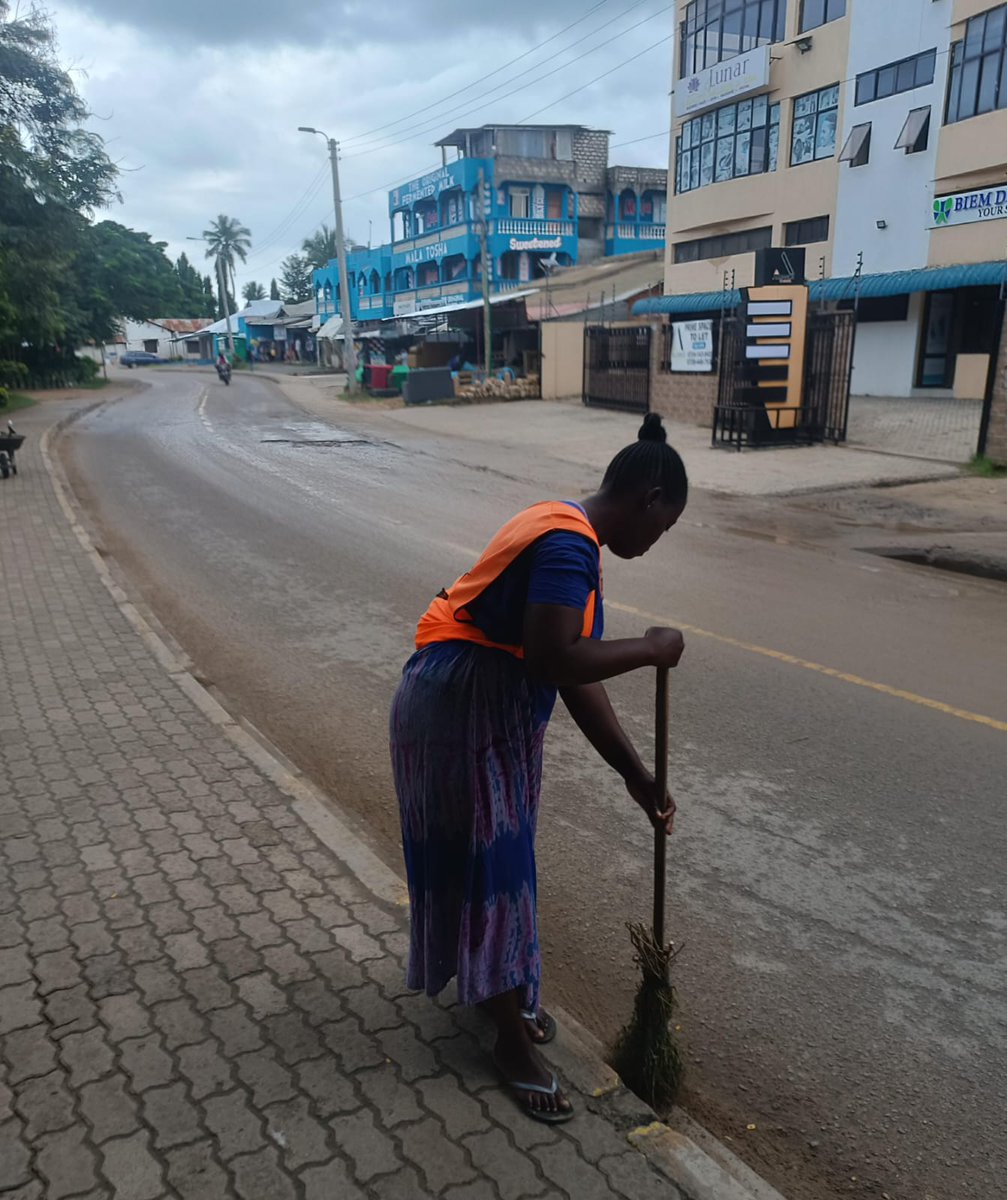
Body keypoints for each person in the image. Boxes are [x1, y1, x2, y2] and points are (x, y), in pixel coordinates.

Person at [390, 413, 688, 1125]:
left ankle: (503, 991)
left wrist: (633, 773)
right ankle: (507, 1041)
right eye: (663, 526)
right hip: (457, 713)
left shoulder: (568, 533)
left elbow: (571, 675)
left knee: (499, 866)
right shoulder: (564, 543)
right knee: (492, 871)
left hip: (481, 711)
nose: (654, 542)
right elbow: (557, 659)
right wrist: (648, 647)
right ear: (648, 497)